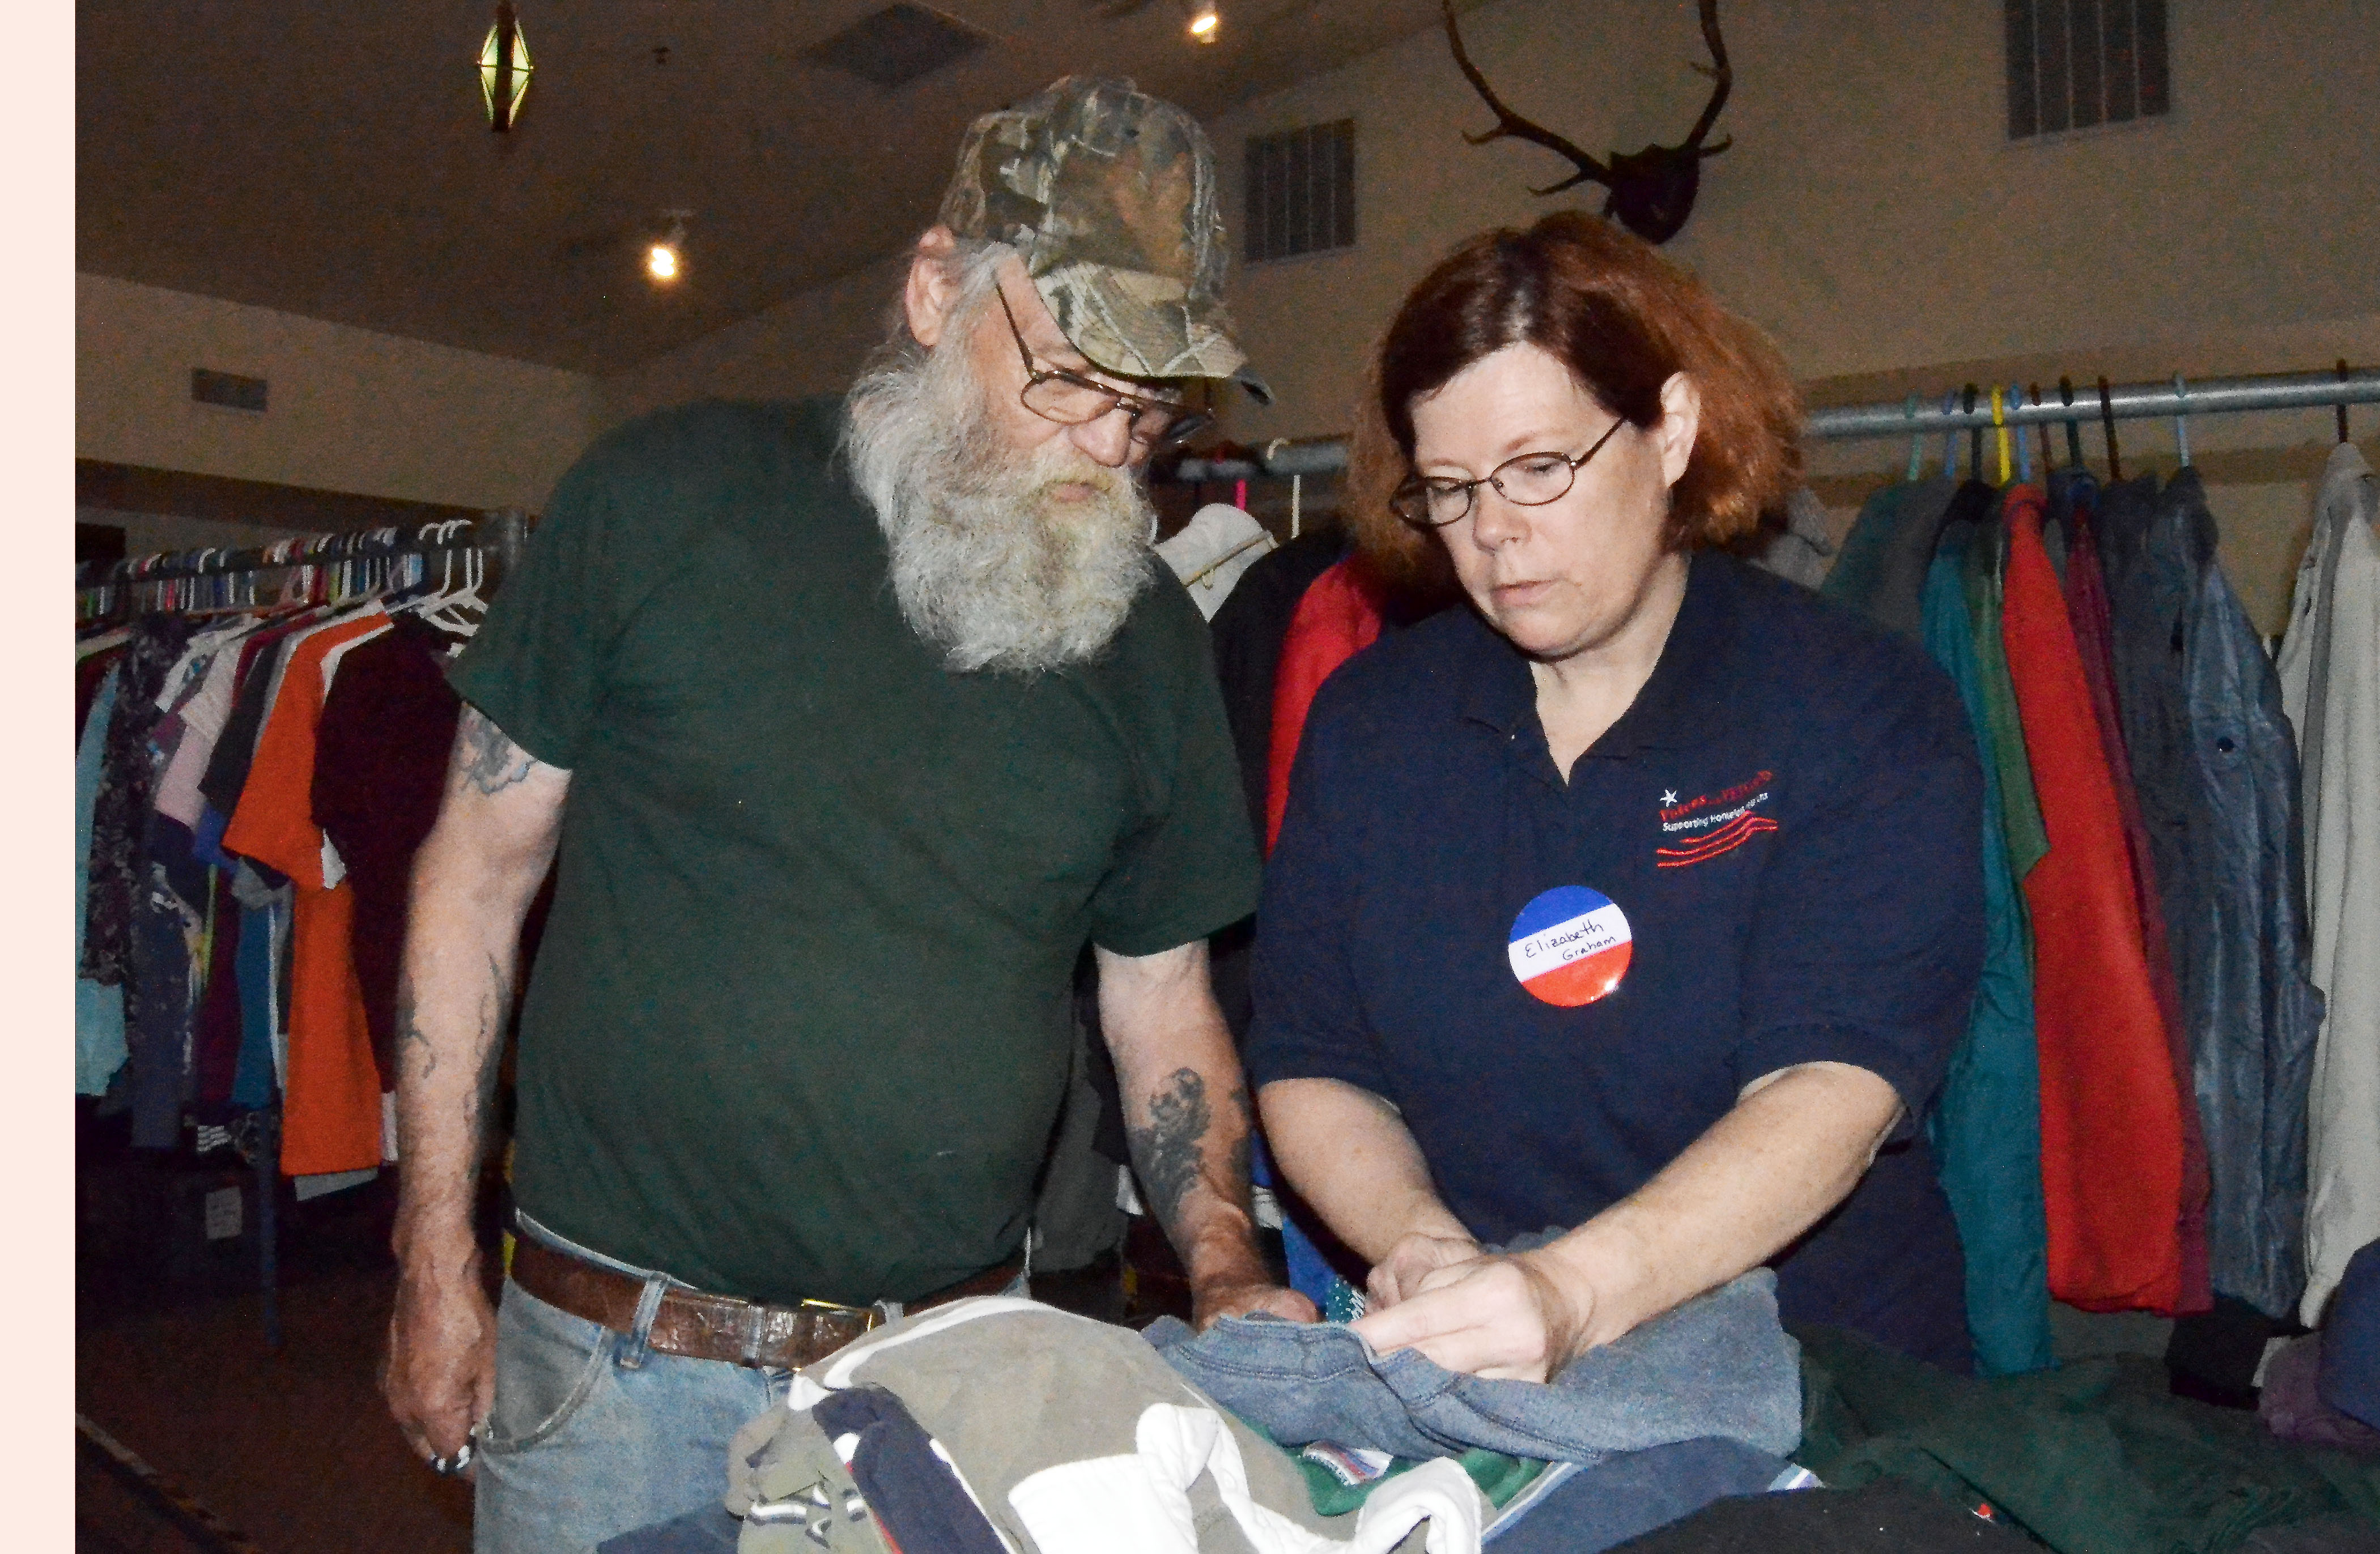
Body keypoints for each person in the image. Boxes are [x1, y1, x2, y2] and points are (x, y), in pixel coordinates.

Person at [380, 76, 1312, 1552]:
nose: (1107, 445)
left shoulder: (1147, 638)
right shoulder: (661, 500)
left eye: (1149, 409)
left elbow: (1163, 1004)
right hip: (615, 1375)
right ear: (939, 291)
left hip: (947, 1389)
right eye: (1071, 378)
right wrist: (429, 1244)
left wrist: (1221, 1259)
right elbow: (475, 874)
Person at [1247, 211, 1986, 1382]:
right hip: (1482, 1363)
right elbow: (1311, 1057)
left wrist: (1570, 1292)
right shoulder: (1373, 725)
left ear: (1673, 428)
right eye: (1449, 487)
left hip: (1819, 1377)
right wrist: (1433, 1258)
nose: (1493, 531)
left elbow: (1829, 1086)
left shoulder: (1854, 704)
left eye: (1541, 468)